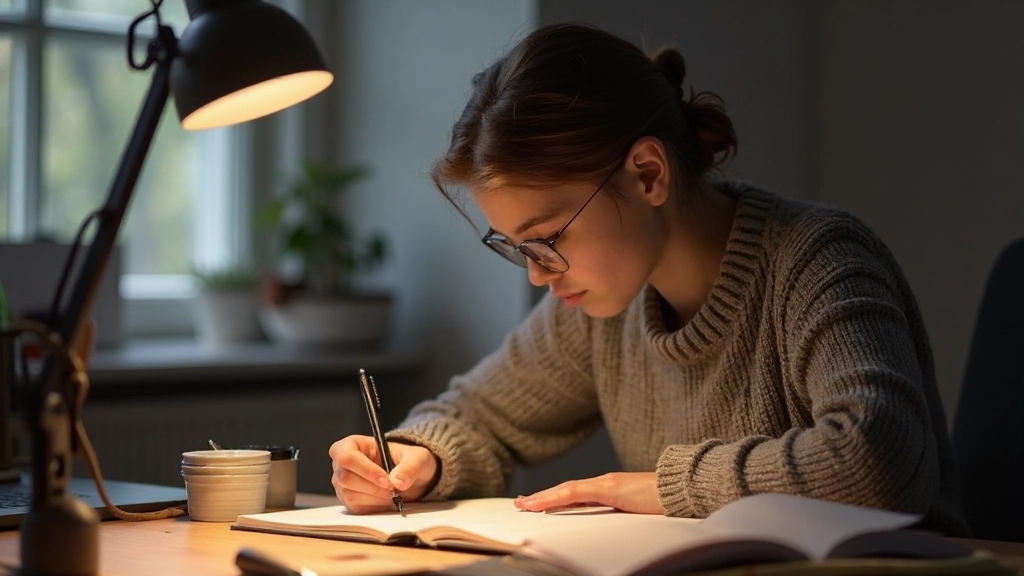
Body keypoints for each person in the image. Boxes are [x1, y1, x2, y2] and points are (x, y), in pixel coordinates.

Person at [329, 22, 968, 536]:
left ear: (647, 175)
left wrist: (665, 485)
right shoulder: (599, 304)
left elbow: (879, 462)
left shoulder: (816, 257)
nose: (536, 272)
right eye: (516, 246)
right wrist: (418, 458)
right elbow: (477, 416)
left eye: (548, 239)